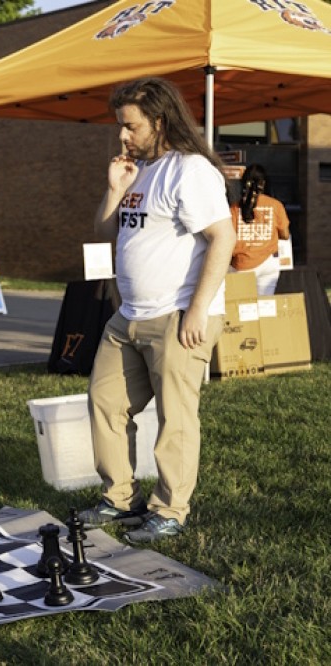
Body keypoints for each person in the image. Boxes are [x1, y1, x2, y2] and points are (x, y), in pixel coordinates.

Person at [81, 77, 236, 544]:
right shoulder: (139, 171)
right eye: (120, 127)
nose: (122, 137)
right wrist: (114, 189)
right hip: (128, 316)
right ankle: (119, 498)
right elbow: (103, 232)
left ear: (159, 121)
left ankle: (170, 509)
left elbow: (223, 239)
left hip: (176, 316)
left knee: (176, 416)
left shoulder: (190, 170)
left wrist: (197, 310)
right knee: (105, 402)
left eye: (130, 127)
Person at [230, 163, 291, 296]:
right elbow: (285, 235)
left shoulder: (234, 208)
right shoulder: (276, 205)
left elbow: (228, 237)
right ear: (263, 183)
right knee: (265, 306)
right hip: (269, 263)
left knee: (243, 308)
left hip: (243, 263)